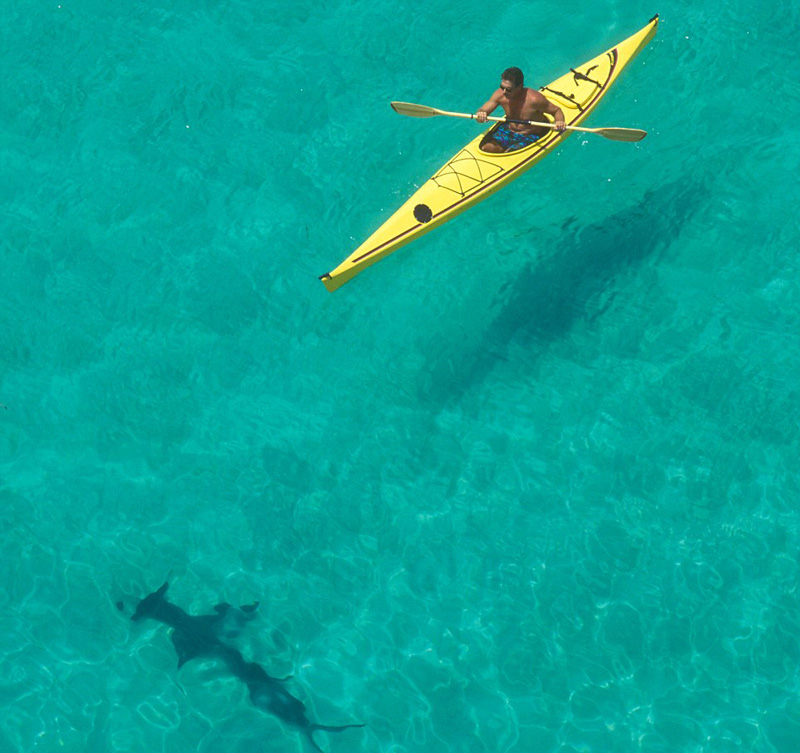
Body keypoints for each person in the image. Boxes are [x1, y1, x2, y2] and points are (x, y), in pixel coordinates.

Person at [475, 67, 567, 153]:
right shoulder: (499, 95)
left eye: (508, 89)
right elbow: (482, 111)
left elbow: (556, 111)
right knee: (486, 148)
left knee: (510, 153)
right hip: (509, 130)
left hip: (530, 135)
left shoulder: (534, 99)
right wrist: (481, 115)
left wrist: (559, 122)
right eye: (502, 87)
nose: (504, 92)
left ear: (519, 87)